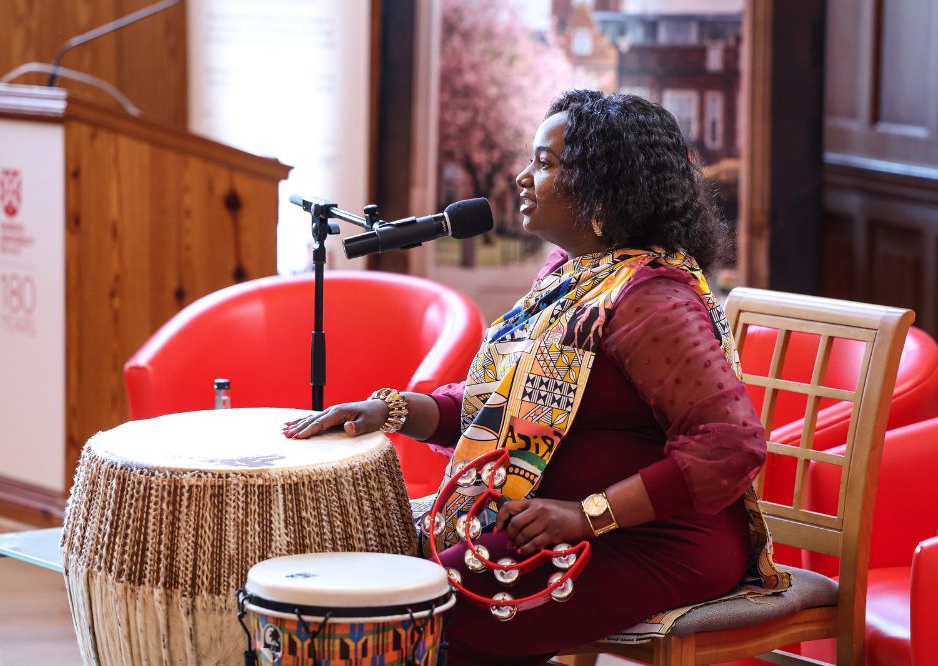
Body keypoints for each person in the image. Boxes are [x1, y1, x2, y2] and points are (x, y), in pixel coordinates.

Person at [284, 90, 788, 665]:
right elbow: (499, 404)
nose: (524, 178)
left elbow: (729, 445)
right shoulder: (573, 275)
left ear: (603, 184)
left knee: (413, 601)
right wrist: (395, 409)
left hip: (656, 541)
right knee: (375, 565)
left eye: (546, 164)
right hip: (543, 520)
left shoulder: (653, 300)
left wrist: (588, 513)